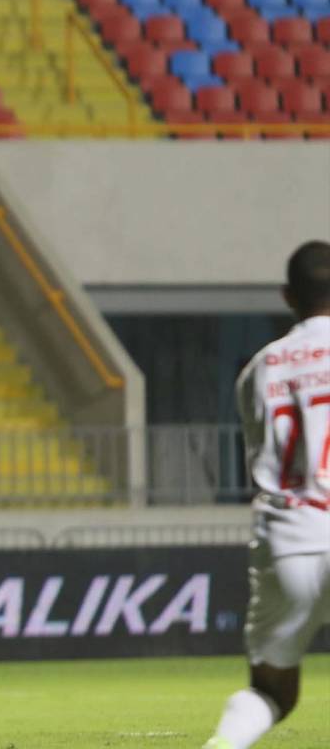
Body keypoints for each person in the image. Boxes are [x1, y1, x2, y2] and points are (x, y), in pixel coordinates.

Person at [202, 240, 330, 749]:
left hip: (289, 538)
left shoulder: (261, 368)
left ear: (288, 296)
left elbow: (267, 454)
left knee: (272, 690)